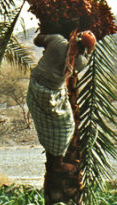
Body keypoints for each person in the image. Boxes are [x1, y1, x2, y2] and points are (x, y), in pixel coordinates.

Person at [26, 31, 96, 160]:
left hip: (36, 86)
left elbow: (37, 40)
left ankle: (54, 156)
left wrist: (48, 33)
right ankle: (57, 157)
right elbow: (85, 56)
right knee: (67, 126)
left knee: (48, 120)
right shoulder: (80, 61)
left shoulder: (57, 40)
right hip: (52, 94)